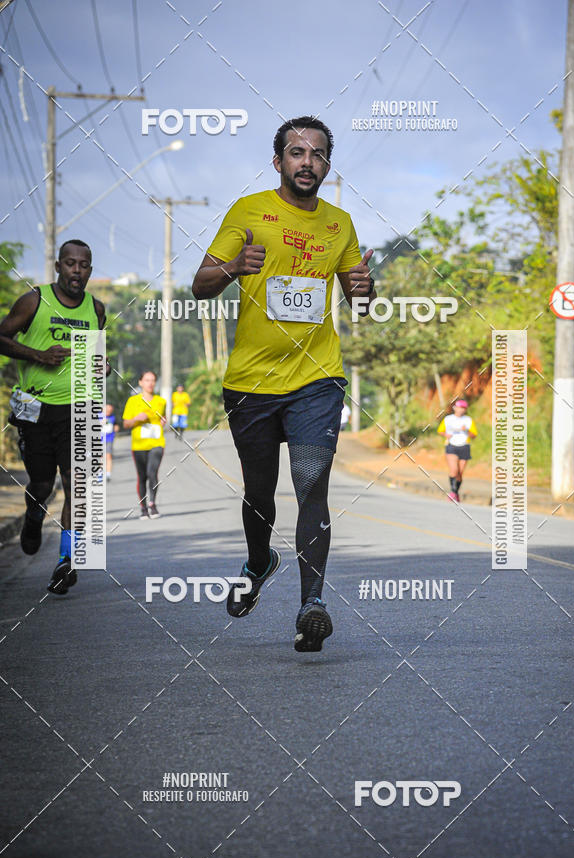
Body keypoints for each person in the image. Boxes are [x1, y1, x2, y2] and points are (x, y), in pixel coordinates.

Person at [192, 115, 375, 653]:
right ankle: (258, 562)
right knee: (259, 493)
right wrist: (234, 267)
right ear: (278, 162)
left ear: (327, 165)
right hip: (251, 381)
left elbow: (360, 301)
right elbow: (200, 285)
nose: (307, 161)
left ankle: (311, 604)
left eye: (317, 153)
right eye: (297, 152)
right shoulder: (248, 211)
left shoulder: (339, 224)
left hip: (318, 378)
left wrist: (365, 287)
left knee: (311, 484)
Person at [0, 239, 106, 594]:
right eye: (70, 263)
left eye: (84, 265)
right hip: (36, 408)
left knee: (78, 484)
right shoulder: (34, 301)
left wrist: (102, 366)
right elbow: (2, 337)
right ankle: (34, 514)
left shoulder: (96, 309)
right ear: (59, 266)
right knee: (43, 485)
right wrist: (37, 355)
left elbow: (94, 357)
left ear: (90, 270)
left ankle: (67, 561)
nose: (77, 270)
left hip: (79, 407)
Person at [122, 371, 166, 518]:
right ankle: (143, 508)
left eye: (153, 380)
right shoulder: (132, 401)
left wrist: (163, 422)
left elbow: (163, 418)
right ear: (140, 382)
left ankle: (152, 504)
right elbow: (126, 424)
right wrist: (137, 419)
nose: (150, 383)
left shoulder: (161, 401)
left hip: (156, 442)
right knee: (142, 477)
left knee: (152, 473)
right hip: (139, 445)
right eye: (147, 380)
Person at [437, 399, 478, 502]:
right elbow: (440, 431)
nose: (461, 410)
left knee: (460, 473)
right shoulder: (448, 419)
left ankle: (456, 492)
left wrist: (466, 430)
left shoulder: (468, 420)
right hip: (451, 445)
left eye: (463, 408)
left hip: (464, 446)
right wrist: (446, 434)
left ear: (465, 410)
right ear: (455, 408)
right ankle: (453, 492)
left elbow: (474, 435)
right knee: (454, 470)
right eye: (459, 407)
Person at [102, 403, 118, 480]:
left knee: (108, 456)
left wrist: (116, 428)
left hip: (109, 439)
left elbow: (116, 426)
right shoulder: (97, 416)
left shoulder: (113, 417)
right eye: (107, 410)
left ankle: (108, 474)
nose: (108, 411)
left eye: (110, 410)